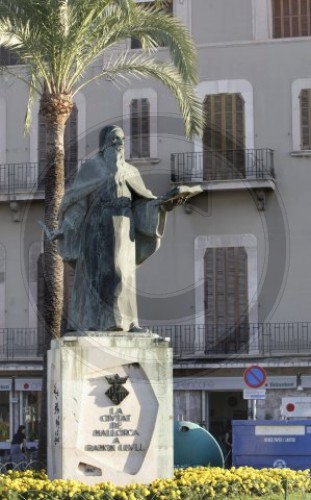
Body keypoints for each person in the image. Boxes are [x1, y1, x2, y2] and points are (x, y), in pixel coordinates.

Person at [54, 125, 201, 333]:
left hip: (125, 228)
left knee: (125, 275)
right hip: (97, 231)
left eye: (122, 139)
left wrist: (164, 204)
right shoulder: (92, 168)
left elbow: (142, 203)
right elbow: (76, 202)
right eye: (114, 139)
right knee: (104, 275)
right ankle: (96, 323)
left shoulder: (131, 171)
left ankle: (128, 323)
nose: (119, 144)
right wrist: (67, 228)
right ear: (104, 143)